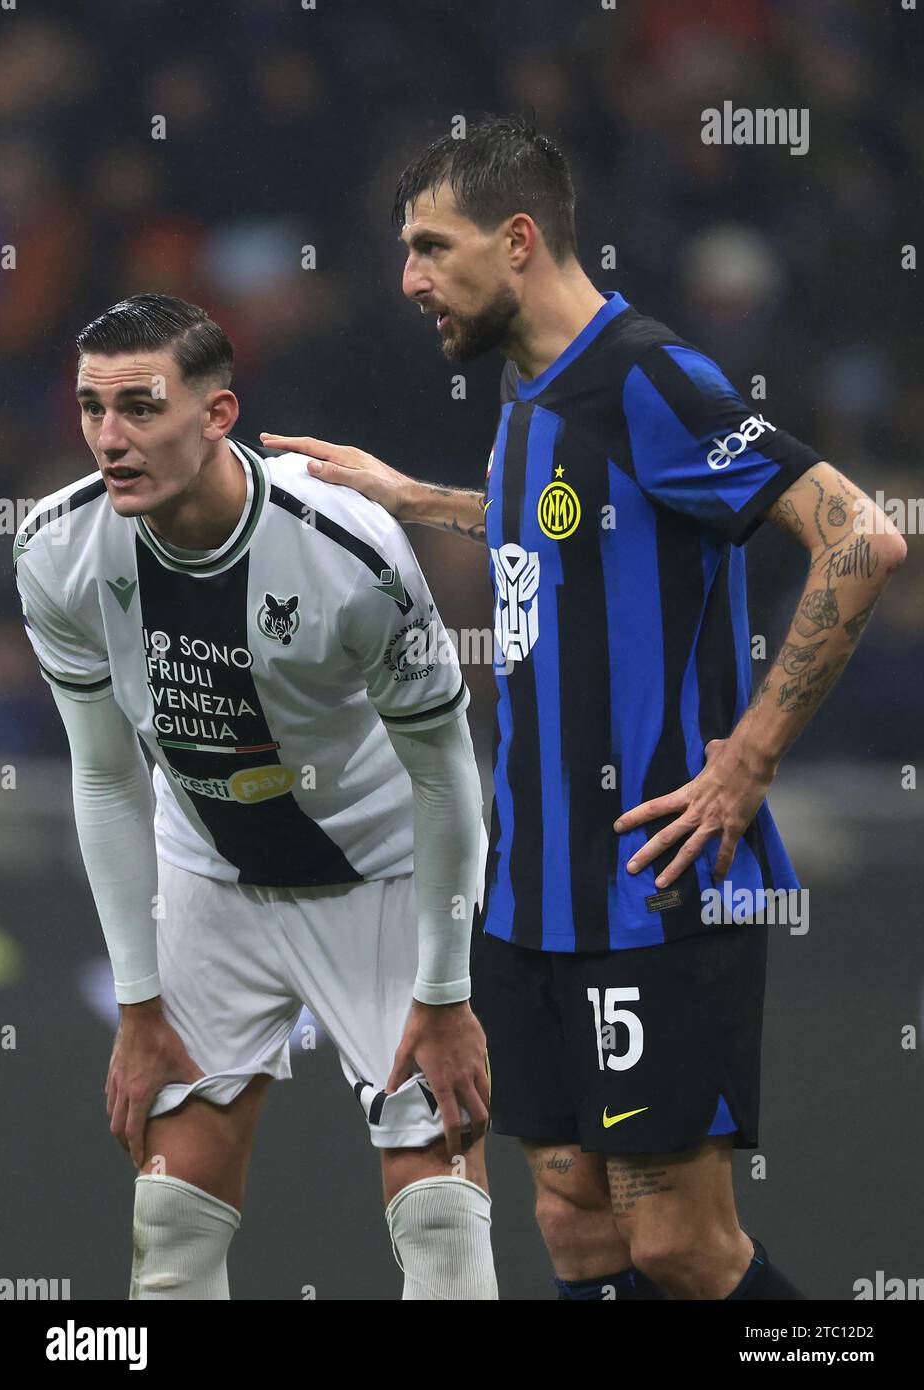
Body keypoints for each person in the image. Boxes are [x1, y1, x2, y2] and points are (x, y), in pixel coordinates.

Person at [261, 114, 906, 1301]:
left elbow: (859, 538)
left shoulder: (649, 374)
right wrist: (416, 498)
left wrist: (750, 757)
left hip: (650, 878)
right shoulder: (531, 394)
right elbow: (570, 527)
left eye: (428, 247)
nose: (407, 279)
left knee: (678, 1239)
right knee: (572, 1217)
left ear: (517, 240)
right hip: (529, 890)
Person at [14, 292, 497, 1301]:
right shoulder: (56, 552)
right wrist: (139, 1001)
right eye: (93, 408)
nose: (111, 437)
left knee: (441, 1214)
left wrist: (446, 990)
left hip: (378, 878)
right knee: (169, 1220)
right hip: (211, 879)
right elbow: (106, 776)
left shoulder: (351, 548)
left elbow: (448, 766)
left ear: (218, 414)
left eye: (142, 406)